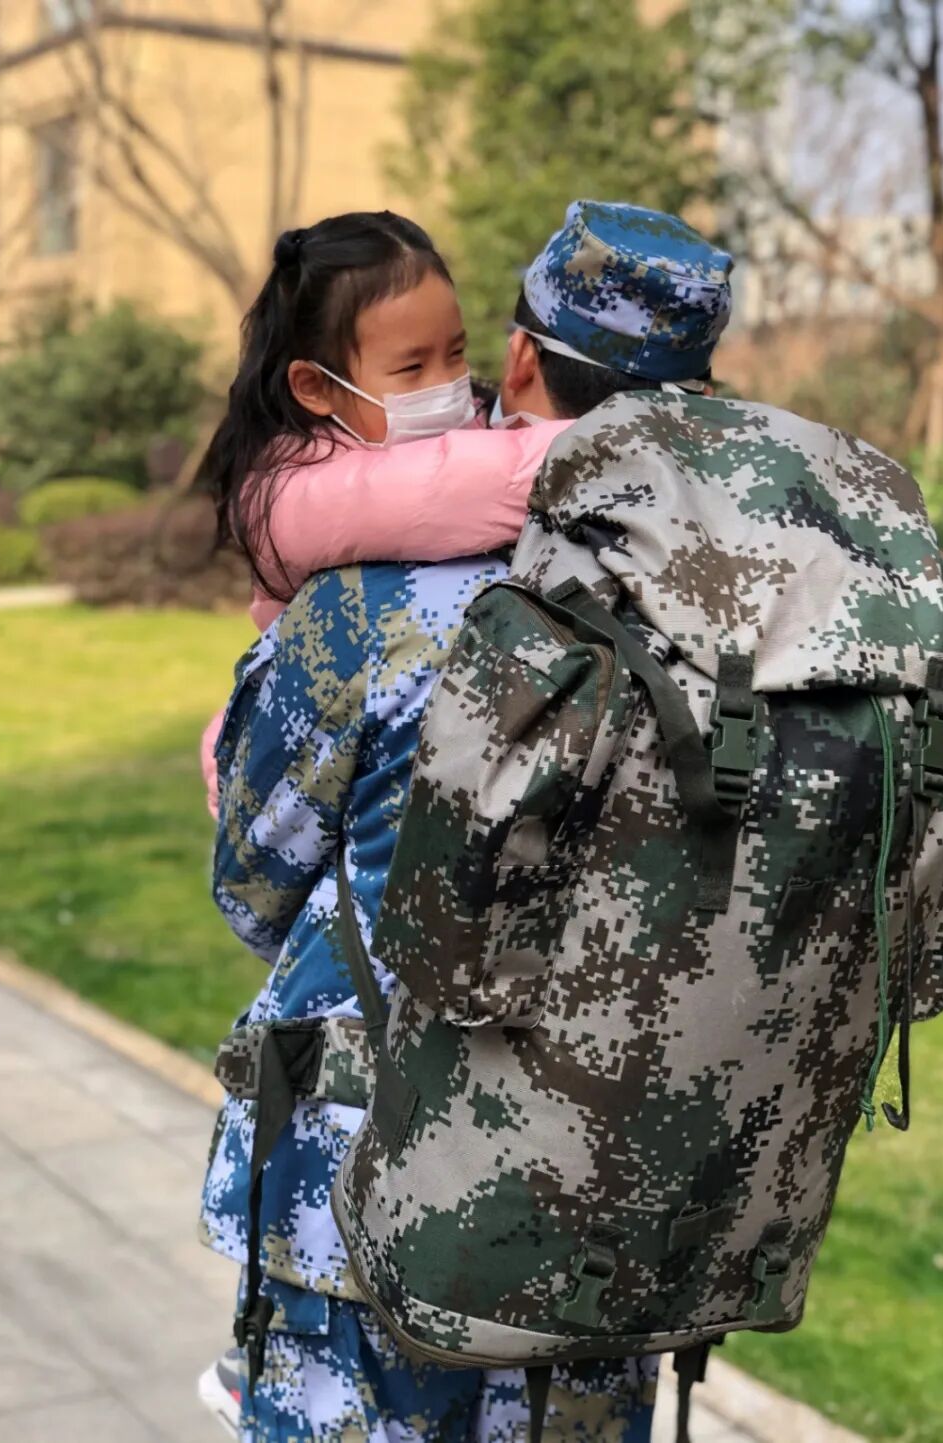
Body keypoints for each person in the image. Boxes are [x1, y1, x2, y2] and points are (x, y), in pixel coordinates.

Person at [198, 202, 732, 1441]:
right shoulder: (729, 612)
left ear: (522, 357)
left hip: (376, 1196)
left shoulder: (371, 607)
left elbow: (254, 887)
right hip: (615, 1203)